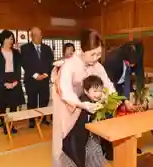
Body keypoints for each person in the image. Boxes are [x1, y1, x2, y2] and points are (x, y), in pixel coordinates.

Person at [51, 29, 135, 167]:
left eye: (98, 54)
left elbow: (107, 84)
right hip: (69, 110)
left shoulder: (97, 66)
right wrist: (82, 105)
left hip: (88, 111)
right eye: (93, 54)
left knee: (92, 142)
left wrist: (116, 98)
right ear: (83, 50)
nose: (96, 57)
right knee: (68, 146)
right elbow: (65, 90)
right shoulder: (70, 64)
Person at [102, 40, 145, 160]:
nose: (132, 66)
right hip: (109, 90)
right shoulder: (113, 60)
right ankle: (108, 149)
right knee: (109, 120)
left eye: (134, 64)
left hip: (122, 87)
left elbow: (131, 78)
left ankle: (129, 145)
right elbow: (109, 84)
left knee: (128, 118)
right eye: (129, 63)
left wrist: (134, 95)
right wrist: (123, 99)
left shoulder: (135, 55)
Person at [62, 75, 107, 167]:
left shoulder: (95, 101)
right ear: (86, 91)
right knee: (77, 160)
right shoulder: (83, 102)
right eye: (95, 91)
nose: (98, 94)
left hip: (85, 135)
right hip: (74, 136)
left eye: (100, 91)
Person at [0, 30, 25, 134]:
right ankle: (5, 126)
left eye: (12, 38)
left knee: (13, 105)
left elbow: (18, 68)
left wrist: (16, 81)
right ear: (4, 39)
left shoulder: (16, 52)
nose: (12, 40)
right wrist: (4, 83)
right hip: (1, 80)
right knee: (2, 106)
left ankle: (11, 125)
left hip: (14, 79)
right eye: (10, 38)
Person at [21, 27, 54, 128]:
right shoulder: (25, 48)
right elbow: (25, 63)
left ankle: (43, 119)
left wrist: (45, 74)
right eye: (37, 35)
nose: (39, 37)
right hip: (31, 80)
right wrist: (35, 75)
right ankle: (32, 120)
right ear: (32, 36)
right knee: (32, 101)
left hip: (44, 79)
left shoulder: (47, 48)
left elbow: (50, 63)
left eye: (40, 34)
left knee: (44, 100)